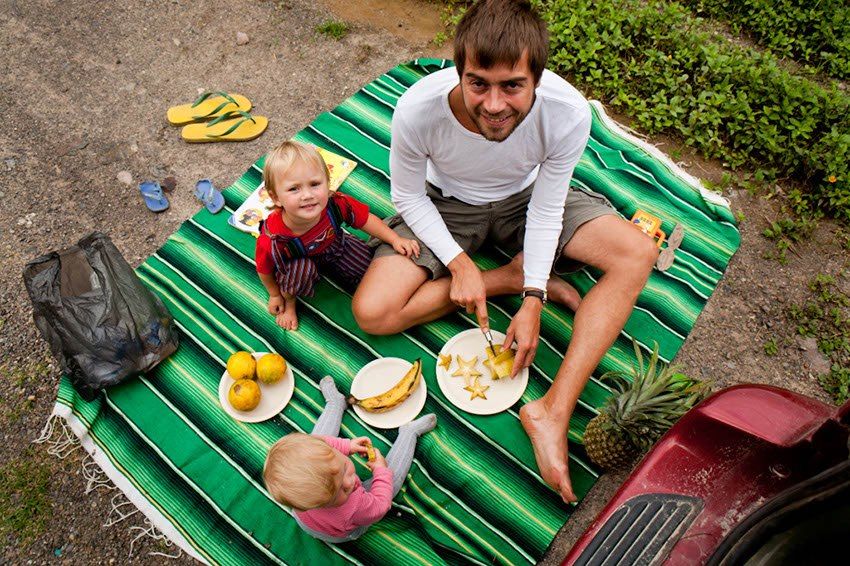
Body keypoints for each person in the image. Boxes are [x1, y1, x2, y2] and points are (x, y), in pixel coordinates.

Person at [352, 0, 659, 503]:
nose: (494, 104)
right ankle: (505, 277)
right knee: (372, 312)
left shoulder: (567, 112)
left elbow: (546, 209)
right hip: (446, 205)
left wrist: (534, 300)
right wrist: (462, 264)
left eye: (512, 85)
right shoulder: (417, 109)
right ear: (458, 71)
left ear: (537, 77)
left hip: (527, 201)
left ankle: (552, 411)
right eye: (478, 83)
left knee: (637, 253)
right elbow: (406, 195)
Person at [255, 141, 419, 330]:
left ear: (327, 183)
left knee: (372, 270)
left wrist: (394, 239)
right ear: (276, 198)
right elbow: (264, 269)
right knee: (299, 272)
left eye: (315, 184)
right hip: (299, 262)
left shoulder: (336, 204)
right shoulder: (273, 238)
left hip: (335, 245)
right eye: (294, 189)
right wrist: (275, 294)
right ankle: (290, 302)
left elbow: (365, 220)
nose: (307, 195)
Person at [263, 376, 437, 542]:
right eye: (340, 491)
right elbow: (381, 506)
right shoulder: (355, 507)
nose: (350, 482)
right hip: (344, 530)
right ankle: (409, 433)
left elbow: (321, 442)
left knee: (314, 442)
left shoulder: (303, 492)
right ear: (319, 502)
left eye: (345, 469)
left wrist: (346, 446)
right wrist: (381, 471)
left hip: (310, 521)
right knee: (391, 481)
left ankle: (335, 403)